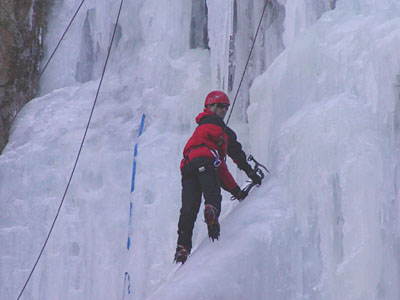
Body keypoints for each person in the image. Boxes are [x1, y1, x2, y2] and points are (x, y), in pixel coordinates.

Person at [174, 90, 262, 264]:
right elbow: (237, 154)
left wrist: (237, 191)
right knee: (212, 196)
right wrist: (250, 172)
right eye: (221, 106)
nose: (224, 111)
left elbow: (221, 170)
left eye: (226, 108)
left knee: (188, 209)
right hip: (207, 160)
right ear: (210, 107)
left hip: (188, 165)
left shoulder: (199, 131)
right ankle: (211, 210)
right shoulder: (222, 130)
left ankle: (182, 248)